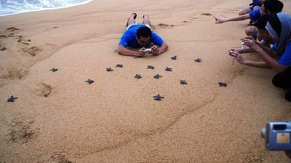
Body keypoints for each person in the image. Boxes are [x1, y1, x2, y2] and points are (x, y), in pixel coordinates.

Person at [229, 13, 291, 102]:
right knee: (278, 81)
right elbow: (273, 53)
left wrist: (255, 50)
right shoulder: (284, 33)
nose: (268, 36)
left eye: (270, 33)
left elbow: (279, 68)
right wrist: (257, 44)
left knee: (289, 96)